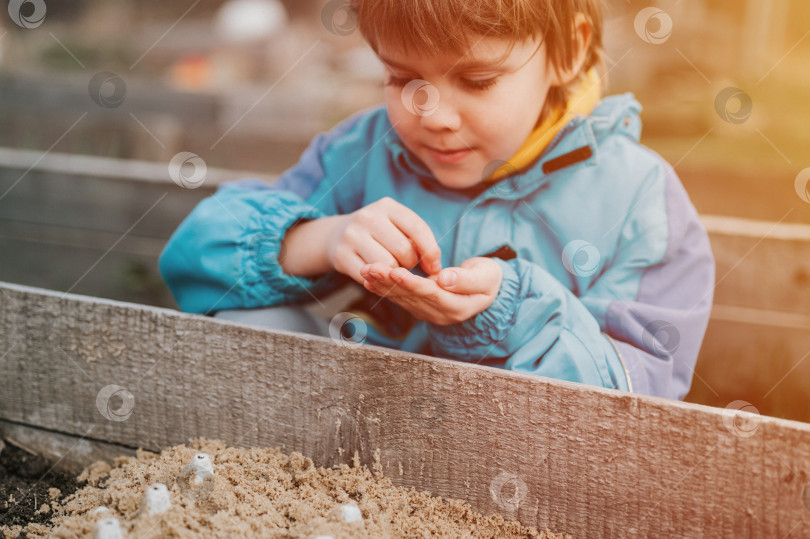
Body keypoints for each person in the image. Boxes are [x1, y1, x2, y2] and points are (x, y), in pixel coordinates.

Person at [159, 0, 715, 400]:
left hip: (523, 477)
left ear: (566, 50)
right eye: (403, 79)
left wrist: (510, 312)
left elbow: (635, 399)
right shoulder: (363, 150)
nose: (436, 119)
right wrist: (322, 239)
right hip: (365, 440)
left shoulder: (639, 199)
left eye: (476, 81)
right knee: (246, 321)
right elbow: (194, 256)